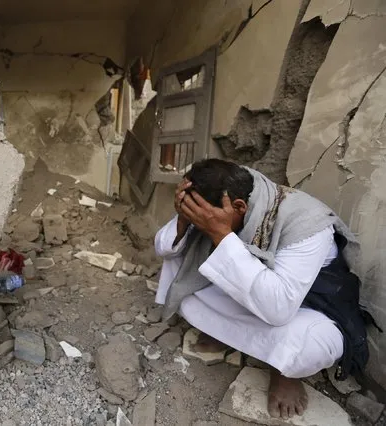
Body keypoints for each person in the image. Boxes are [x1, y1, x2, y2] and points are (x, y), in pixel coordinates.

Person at [154, 159, 378, 420]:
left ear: (239, 206)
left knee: (311, 345)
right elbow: (164, 248)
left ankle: (284, 371)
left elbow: (278, 309)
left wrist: (221, 235)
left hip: (306, 307)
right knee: (181, 267)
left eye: (201, 217)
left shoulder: (307, 225)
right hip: (255, 292)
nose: (200, 222)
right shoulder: (220, 196)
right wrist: (183, 219)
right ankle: (230, 336)